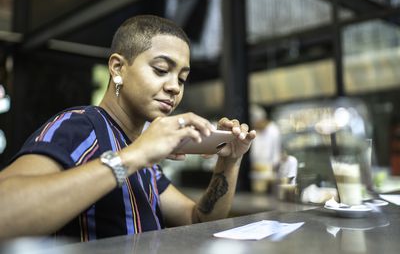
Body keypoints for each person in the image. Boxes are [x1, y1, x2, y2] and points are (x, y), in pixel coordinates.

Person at [0, 15, 256, 241]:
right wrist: (134, 156)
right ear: (118, 68)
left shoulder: (141, 151)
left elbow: (198, 220)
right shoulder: (80, 126)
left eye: (182, 78)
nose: (175, 87)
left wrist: (229, 162)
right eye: (161, 70)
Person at [249, 104, 281, 193]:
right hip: (255, 171)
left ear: (262, 119)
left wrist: (272, 168)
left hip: (269, 170)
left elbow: (276, 153)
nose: (256, 126)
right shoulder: (255, 131)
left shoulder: (273, 129)